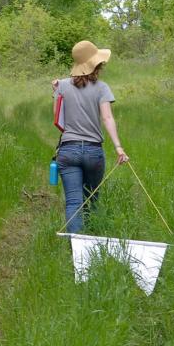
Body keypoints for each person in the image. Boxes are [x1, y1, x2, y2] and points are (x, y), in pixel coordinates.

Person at [53, 40, 129, 233]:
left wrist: (56, 90)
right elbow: (107, 117)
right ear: (95, 64)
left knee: (73, 202)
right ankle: (93, 243)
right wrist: (118, 147)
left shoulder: (60, 85)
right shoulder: (102, 88)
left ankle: (75, 248)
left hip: (68, 150)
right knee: (91, 199)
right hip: (93, 151)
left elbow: (58, 120)